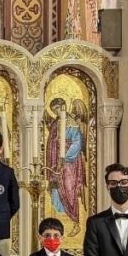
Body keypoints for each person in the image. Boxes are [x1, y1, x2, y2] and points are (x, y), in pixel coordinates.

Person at [46, 97, 88, 237]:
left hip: (70, 163)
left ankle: (75, 222)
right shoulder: (55, 123)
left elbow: (77, 142)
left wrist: (65, 157)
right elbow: (52, 141)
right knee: (56, 188)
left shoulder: (71, 122)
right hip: (55, 163)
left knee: (69, 189)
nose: (56, 112)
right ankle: (57, 221)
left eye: (58, 108)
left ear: (64, 107)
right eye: (54, 110)